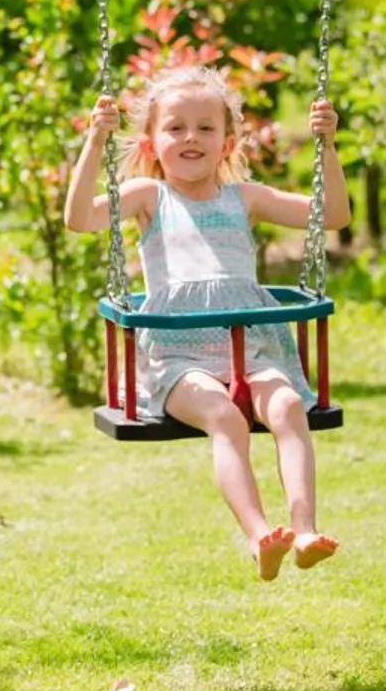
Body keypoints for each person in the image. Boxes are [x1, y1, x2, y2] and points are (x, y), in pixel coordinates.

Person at [64, 65, 350, 581]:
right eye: (175, 128)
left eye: (205, 127)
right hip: (178, 358)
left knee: (288, 406)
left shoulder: (246, 198)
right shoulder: (148, 197)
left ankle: (304, 529)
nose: (190, 137)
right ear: (151, 143)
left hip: (249, 349)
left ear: (227, 142)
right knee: (225, 418)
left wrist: (327, 146)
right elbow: (79, 218)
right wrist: (95, 141)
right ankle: (259, 535)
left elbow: (330, 215)